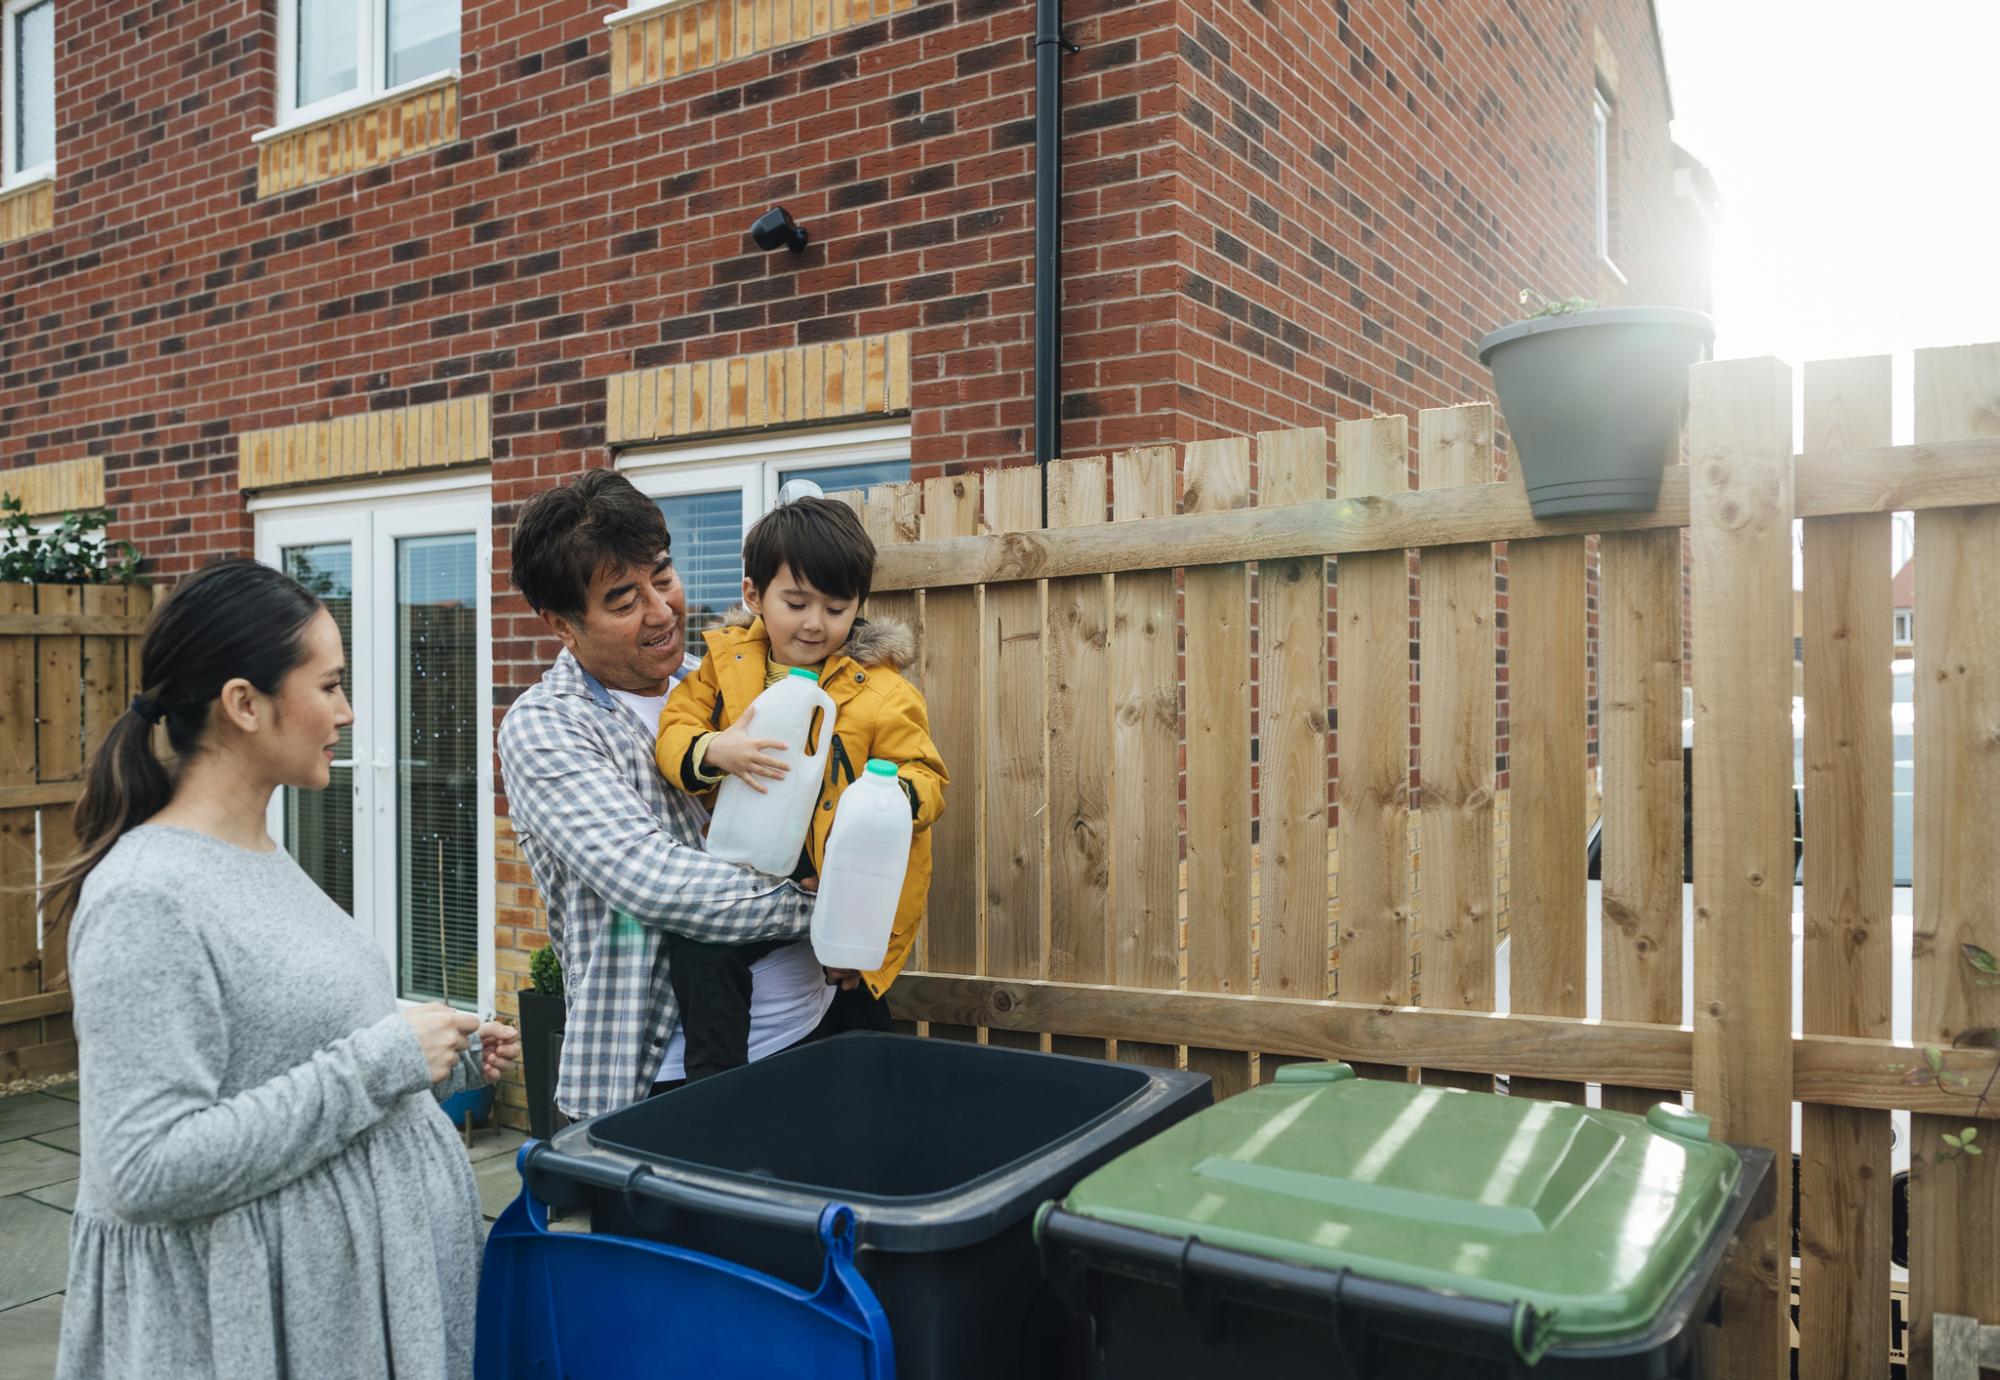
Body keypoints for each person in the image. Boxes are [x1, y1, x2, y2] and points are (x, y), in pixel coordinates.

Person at [48, 558, 519, 1380]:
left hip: (344, 1313)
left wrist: (433, 1065)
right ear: (244, 704)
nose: (347, 710)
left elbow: (285, 1057)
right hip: (261, 1334)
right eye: (330, 685)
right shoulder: (146, 897)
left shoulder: (260, 851)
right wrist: (383, 1063)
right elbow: (144, 1169)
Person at [497, 470, 827, 1120]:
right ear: (561, 624)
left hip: (815, 1029)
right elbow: (657, 883)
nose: (662, 609)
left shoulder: (717, 688)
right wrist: (830, 917)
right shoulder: (549, 726)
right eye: (623, 601)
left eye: (664, 575)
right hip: (669, 1077)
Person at [655, 495, 946, 1080]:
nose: (815, 623)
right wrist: (714, 749)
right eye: (796, 602)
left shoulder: (882, 691)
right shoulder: (723, 668)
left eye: (836, 608)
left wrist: (888, 798)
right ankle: (715, 1088)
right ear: (752, 594)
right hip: (748, 867)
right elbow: (675, 728)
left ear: (858, 607)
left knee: (853, 991)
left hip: (838, 877)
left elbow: (926, 775)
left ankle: (873, 1091)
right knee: (701, 949)